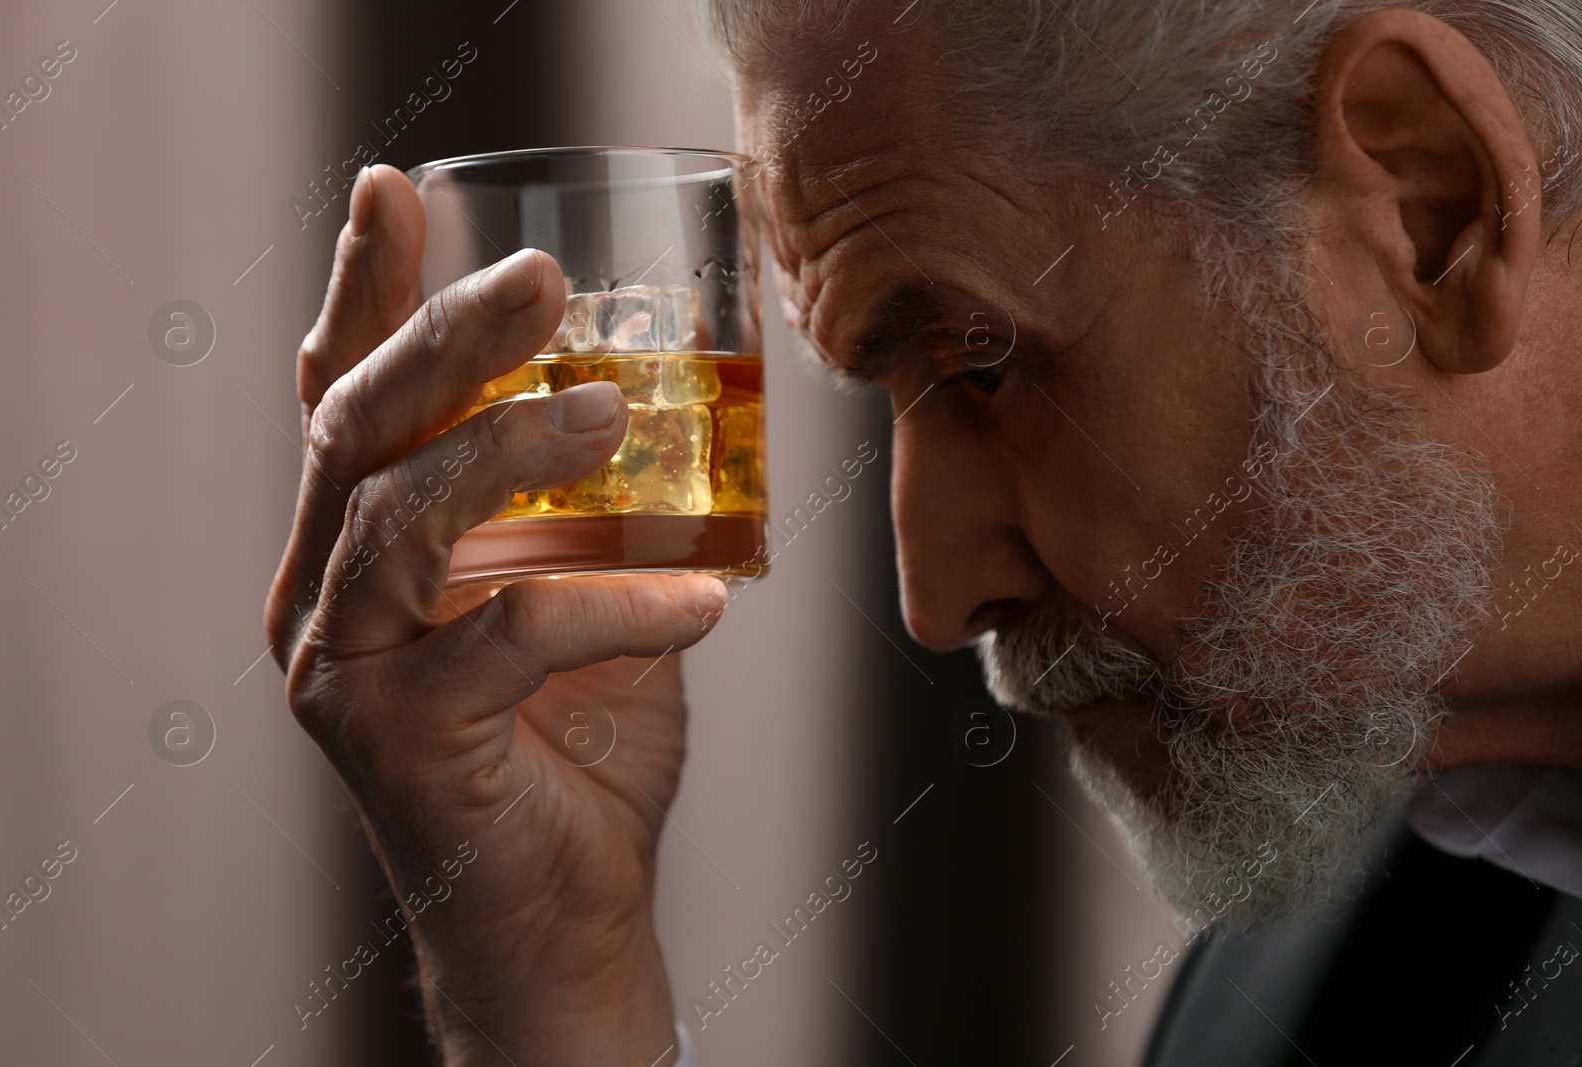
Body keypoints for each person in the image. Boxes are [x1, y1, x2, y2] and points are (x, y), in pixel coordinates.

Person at [264, 1, 1582, 1063]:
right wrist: (551, 999)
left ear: (1430, 205)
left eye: (985, 364)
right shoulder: (1301, 991)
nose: (936, 599)